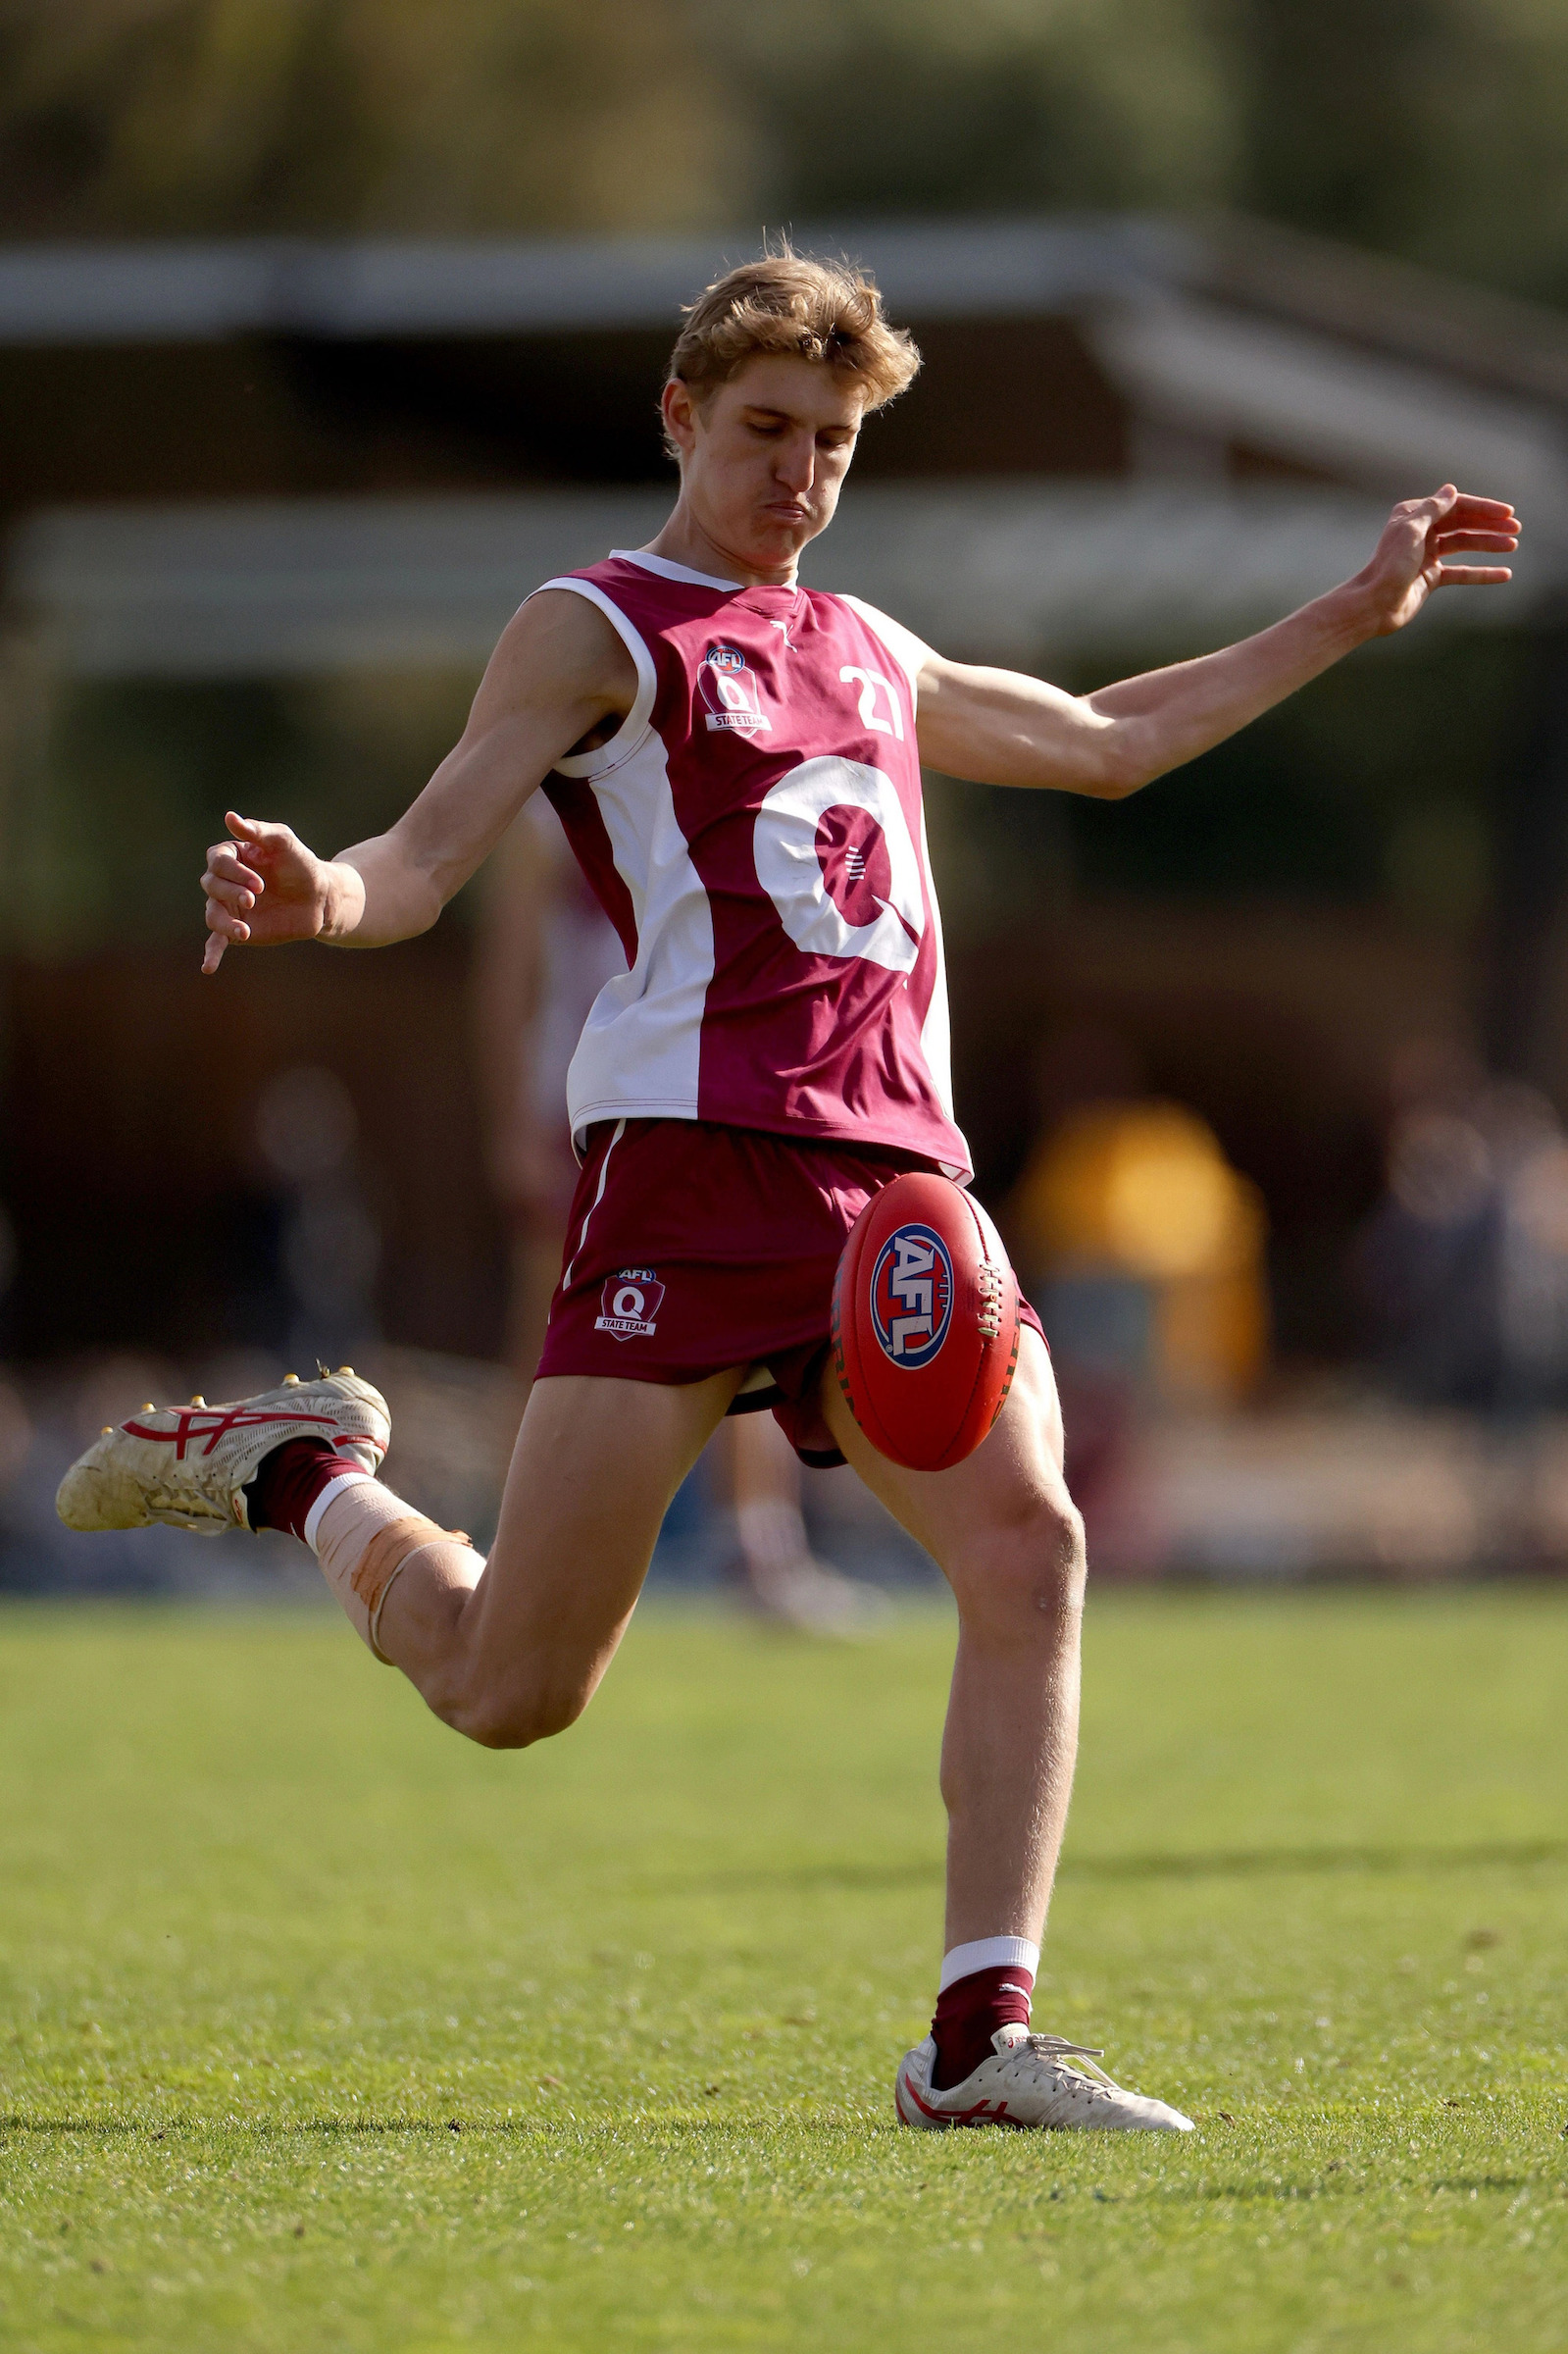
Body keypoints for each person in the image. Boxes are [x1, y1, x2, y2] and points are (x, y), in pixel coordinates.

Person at [60, 250, 1518, 2134]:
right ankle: (300, 1473)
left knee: (1031, 1548)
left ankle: (974, 2041)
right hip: (682, 1182)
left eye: (831, 444)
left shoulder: (871, 650)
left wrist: (1344, 608)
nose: (799, 475)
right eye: (764, 433)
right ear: (678, 417)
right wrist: (317, 894)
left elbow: (1107, 743)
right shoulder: (594, 624)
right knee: (512, 1691)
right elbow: (421, 859)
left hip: (893, 1191)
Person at [472, 793, 887, 1631]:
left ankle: (760, 1547)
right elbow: (510, 969)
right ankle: (512, 1551)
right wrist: (511, 1115)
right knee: (546, 1329)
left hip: (702, 1094)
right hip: (587, 1094)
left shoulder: (722, 781)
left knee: (750, 1313)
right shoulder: (548, 815)